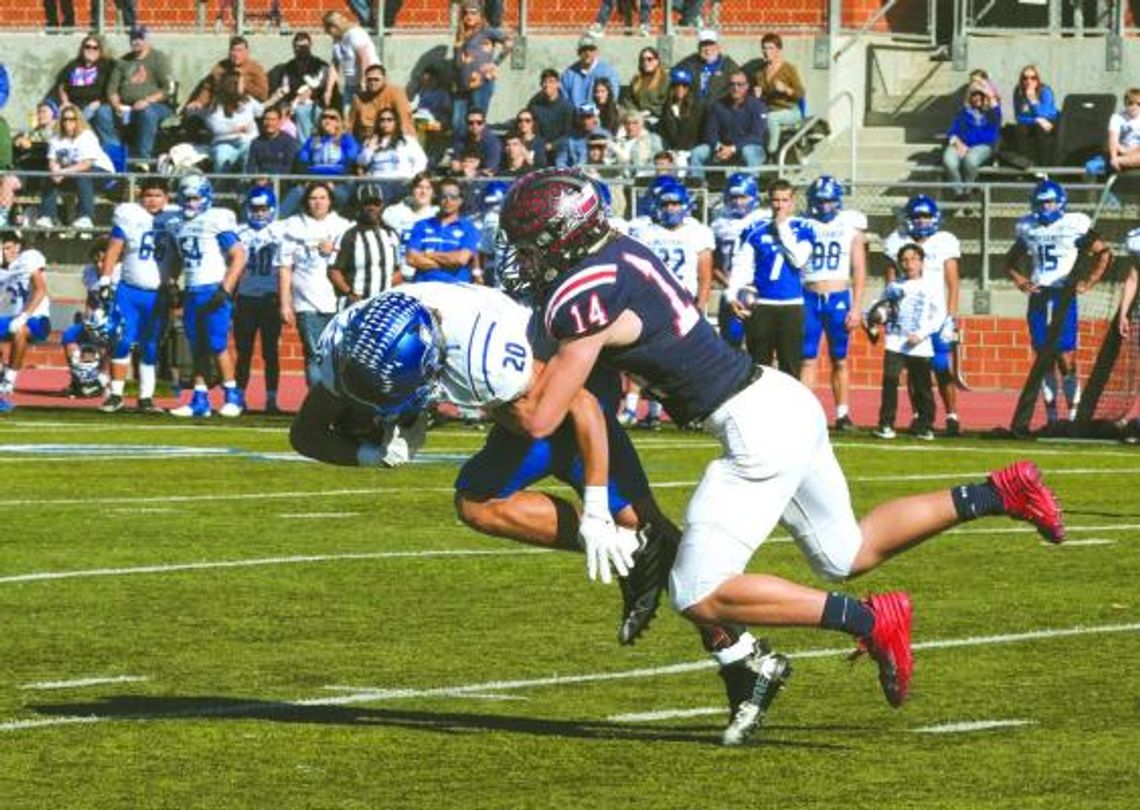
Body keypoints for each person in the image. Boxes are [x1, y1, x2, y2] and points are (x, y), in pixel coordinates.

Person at [498, 167, 1068, 746]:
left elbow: (542, 417)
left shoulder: (582, 294)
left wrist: (470, 393)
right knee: (846, 551)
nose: (524, 257)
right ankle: (1000, 493)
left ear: (561, 236)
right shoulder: (618, 250)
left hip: (754, 426)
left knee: (697, 591)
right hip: (778, 400)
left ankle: (870, 620)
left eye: (528, 243)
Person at [289, 284, 675, 645]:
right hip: (517, 409)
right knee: (480, 499)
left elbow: (580, 405)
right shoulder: (351, 347)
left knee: (643, 527)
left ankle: (725, 634)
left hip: (564, 388)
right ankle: (649, 561)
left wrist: (593, 513)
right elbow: (305, 434)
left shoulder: (486, 356)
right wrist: (369, 454)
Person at [1003, 180, 1112, 426]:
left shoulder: (1075, 223)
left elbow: (1104, 252)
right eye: (1041, 202)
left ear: (1060, 202)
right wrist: (1020, 279)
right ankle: (1052, 417)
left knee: (1065, 357)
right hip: (1040, 293)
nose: (1046, 206)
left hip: (1063, 294)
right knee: (1043, 357)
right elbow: (1009, 261)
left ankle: (1074, 416)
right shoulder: (1027, 226)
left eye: (1050, 201)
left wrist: (1089, 282)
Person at [626, 176, 714, 428]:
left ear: (685, 205)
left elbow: (705, 275)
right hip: (653, 301)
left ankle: (692, 411)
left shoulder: (697, 231)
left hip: (684, 303)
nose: (671, 209)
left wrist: (701, 305)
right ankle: (651, 412)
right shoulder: (645, 230)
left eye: (676, 204)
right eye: (666, 204)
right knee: (649, 359)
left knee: (687, 361)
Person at [167, 173, 247, 419]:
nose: (191, 203)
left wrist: (225, 289)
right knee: (197, 346)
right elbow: (178, 259)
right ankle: (199, 399)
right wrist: (173, 283)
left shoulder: (216, 219)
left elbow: (239, 255)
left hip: (213, 287)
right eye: (187, 198)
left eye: (195, 198)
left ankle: (233, 395)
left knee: (217, 344)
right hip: (192, 289)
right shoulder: (176, 223)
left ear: (206, 197)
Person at [883, 195, 963, 435]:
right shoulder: (898, 240)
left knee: (940, 365)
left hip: (935, 316)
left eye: (926, 216)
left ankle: (951, 414)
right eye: (917, 216)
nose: (922, 221)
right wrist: (891, 313)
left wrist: (950, 317)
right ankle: (920, 415)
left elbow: (953, 283)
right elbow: (890, 281)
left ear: (935, 217)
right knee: (914, 370)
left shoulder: (944, 241)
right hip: (909, 316)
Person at [98, 176, 177, 414]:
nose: (152, 200)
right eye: (148, 195)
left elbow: (181, 257)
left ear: (167, 197)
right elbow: (114, 248)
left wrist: (174, 281)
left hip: (158, 293)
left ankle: (146, 397)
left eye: (157, 195)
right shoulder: (130, 215)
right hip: (129, 291)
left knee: (150, 345)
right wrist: (105, 279)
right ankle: (116, 395)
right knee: (121, 341)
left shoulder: (175, 219)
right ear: (140, 197)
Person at [726, 178, 813, 377]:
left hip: (791, 306)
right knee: (758, 366)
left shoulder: (804, 228)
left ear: (792, 202)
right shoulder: (755, 230)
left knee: (790, 368)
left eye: (785, 200)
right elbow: (742, 267)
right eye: (776, 200)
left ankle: (789, 409)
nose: (780, 205)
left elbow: (798, 259)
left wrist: (782, 228)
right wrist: (732, 295)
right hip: (761, 305)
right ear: (769, 201)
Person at [800, 176, 866, 431]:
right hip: (809, 295)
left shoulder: (850, 225)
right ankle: (805, 413)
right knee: (807, 358)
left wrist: (857, 306)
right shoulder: (803, 224)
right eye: (820, 201)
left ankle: (842, 413)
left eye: (829, 201)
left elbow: (859, 269)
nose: (825, 206)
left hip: (838, 296)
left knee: (840, 358)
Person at [278, 180, 352, 388]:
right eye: (313, 198)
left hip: (338, 301)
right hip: (306, 302)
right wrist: (285, 303)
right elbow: (285, 267)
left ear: (330, 201)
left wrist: (335, 250)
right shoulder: (293, 226)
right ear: (306, 202)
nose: (318, 203)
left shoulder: (343, 226)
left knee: (338, 356)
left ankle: (338, 404)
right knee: (315, 354)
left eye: (322, 198)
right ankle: (318, 404)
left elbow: (354, 261)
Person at [872, 243, 939, 441]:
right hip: (895, 341)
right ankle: (886, 424)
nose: (909, 264)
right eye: (905, 260)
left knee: (922, 386)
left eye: (913, 259)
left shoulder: (931, 285)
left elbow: (939, 314)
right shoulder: (894, 286)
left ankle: (925, 425)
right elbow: (881, 307)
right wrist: (875, 321)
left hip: (919, 344)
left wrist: (921, 333)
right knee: (890, 382)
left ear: (921, 262)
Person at [234, 184, 285, 414]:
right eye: (255, 209)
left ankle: (271, 399)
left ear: (272, 209)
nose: (259, 213)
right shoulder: (239, 232)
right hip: (245, 298)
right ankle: (238, 397)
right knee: (243, 352)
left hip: (270, 299)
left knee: (270, 352)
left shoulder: (281, 232)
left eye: (264, 209)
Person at [95, 26, 174, 162]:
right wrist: (116, 104)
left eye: (140, 38)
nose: (136, 41)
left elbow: (169, 88)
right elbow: (112, 89)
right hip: (126, 107)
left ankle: (143, 160)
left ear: (147, 40)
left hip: (155, 106)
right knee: (102, 112)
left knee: (147, 112)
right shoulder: (123, 61)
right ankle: (115, 153)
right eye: (133, 38)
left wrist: (147, 101)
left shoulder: (158, 58)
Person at [709, 172, 767, 351]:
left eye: (743, 196)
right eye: (733, 197)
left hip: (760, 290)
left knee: (761, 348)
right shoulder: (719, 223)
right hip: (730, 291)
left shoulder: (764, 220)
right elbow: (713, 263)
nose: (738, 202)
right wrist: (731, 285)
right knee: (730, 346)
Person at [37, 103, 115, 230]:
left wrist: (63, 172)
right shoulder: (55, 138)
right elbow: (53, 160)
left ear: (78, 120)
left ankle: (85, 217)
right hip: (72, 173)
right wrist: (55, 171)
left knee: (82, 175)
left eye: (72, 119)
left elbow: (86, 163)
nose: (68, 122)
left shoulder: (86, 136)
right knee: (50, 177)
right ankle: (47, 216)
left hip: (101, 171)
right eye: (65, 119)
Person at [0, 230, 51, 413]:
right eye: (2, 248)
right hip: (11, 317)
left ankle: (9, 380)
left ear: (18, 246)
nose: (6, 252)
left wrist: (24, 315)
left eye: (9, 247)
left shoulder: (29, 257)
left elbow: (40, 289)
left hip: (37, 318)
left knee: (19, 329)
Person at [329, 182, 402, 306]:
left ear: (382, 206)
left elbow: (397, 271)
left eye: (376, 203)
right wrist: (350, 293)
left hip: (383, 305)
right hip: (354, 304)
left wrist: (387, 293)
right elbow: (334, 271)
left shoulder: (391, 234)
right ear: (358, 206)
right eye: (366, 203)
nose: (371, 207)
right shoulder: (349, 235)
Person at [61, 237, 117, 399]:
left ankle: (104, 380)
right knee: (70, 335)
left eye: (103, 260)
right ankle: (78, 381)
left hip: (117, 319)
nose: (100, 265)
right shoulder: (90, 273)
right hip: (98, 317)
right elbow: (92, 298)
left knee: (112, 336)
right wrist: (87, 318)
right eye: (96, 261)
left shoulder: (122, 272)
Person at [690, 70, 768, 178]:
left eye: (739, 84)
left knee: (748, 151)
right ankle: (698, 187)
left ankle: (751, 187)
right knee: (697, 152)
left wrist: (732, 149)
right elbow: (710, 132)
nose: (735, 88)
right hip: (722, 147)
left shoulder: (757, 106)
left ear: (747, 86)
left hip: (748, 148)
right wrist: (719, 147)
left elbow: (756, 136)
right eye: (732, 84)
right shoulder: (718, 105)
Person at [451, 0, 514, 132]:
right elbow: (457, 63)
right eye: (466, 13)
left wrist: (495, 63)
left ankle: (477, 152)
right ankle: (461, 151)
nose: (469, 16)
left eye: (473, 13)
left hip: (481, 84)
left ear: (480, 15)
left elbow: (509, 42)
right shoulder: (461, 34)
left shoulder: (486, 31)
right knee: (457, 124)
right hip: (461, 85)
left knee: (477, 122)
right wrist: (458, 46)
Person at [405, 177, 480, 284]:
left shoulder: (468, 228)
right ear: (437, 198)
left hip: (455, 288)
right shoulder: (421, 225)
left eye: (453, 197)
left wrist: (427, 254)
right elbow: (411, 259)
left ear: (460, 200)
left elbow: (460, 259)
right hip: (423, 288)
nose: (448, 201)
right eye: (444, 196)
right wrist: (448, 262)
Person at [269, 31, 337, 143]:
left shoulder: (320, 66)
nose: (299, 49)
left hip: (317, 105)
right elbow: (284, 90)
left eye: (303, 46)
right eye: (296, 46)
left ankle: (307, 147)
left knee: (302, 112)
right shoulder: (288, 68)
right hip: (294, 107)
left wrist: (298, 102)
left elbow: (318, 90)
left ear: (310, 46)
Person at [198, 70, 269, 174]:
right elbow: (217, 128)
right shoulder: (216, 106)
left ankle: (246, 185)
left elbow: (260, 111)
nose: (244, 85)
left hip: (248, 142)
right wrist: (236, 129)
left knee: (250, 159)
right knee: (221, 158)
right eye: (241, 82)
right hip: (225, 143)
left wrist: (276, 97)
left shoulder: (248, 101)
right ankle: (221, 186)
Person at [184, 36, 270, 114]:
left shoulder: (256, 68)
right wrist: (200, 102)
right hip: (221, 107)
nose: (236, 54)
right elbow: (208, 88)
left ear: (246, 52)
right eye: (233, 50)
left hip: (244, 109)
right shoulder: (221, 66)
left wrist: (242, 84)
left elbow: (263, 95)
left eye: (239, 50)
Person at [752, 33, 805, 158]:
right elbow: (765, 99)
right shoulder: (760, 72)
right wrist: (758, 95)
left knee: (771, 118)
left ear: (778, 50)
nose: (766, 51)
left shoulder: (788, 69)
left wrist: (786, 89)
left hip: (791, 111)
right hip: (771, 110)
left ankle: (772, 152)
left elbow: (801, 93)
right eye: (764, 48)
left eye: (770, 48)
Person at [942, 86, 1001, 200]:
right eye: (974, 95)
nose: (977, 98)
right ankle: (960, 193)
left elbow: (995, 107)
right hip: (961, 144)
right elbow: (952, 132)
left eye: (981, 95)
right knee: (948, 161)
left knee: (970, 160)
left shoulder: (992, 114)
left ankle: (968, 190)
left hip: (983, 146)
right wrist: (958, 144)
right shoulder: (963, 113)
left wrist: (987, 93)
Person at [382, 170, 437, 278]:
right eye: (419, 187)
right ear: (412, 190)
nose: (423, 192)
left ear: (434, 192)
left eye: (428, 188)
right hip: (399, 275)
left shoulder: (438, 215)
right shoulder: (394, 212)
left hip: (428, 275)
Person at [51, 35, 115, 126]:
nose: (91, 50)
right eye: (87, 46)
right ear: (82, 49)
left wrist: (100, 102)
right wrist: (65, 102)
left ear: (100, 51)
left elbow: (113, 87)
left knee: (85, 116)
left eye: (95, 48)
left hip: (95, 105)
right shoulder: (73, 65)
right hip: (74, 105)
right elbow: (62, 84)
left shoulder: (107, 66)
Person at [355, 106, 428, 186]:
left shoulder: (407, 141)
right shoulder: (371, 141)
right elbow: (361, 162)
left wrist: (411, 179)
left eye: (389, 119)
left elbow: (421, 161)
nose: (385, 123)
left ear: (396, 122)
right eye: (382, 120)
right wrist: (369, 149)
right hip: (377, 184)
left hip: (400, 183)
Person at [323, 10, 378, 113]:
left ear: (334, 27)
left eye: (328, 30)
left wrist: (363, 82)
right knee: (348, 116)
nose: (328, 34)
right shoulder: (337, 41)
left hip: (367, 81)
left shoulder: (355, 34)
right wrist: (328, 90)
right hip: (350, 84)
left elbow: (364, 58)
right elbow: (335, 65)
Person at [347, 63, 415, 141]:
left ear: (385, 79)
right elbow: (349, 124)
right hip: (365, 141)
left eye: (376, 79)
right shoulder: (359, 98)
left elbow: (405, 120)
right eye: (369, 79)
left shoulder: (396, 93)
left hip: (392, 140)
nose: (372, 83)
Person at [1010, 65, 1059, 168]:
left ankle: (1043, 167)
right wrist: (1036, 120)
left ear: (1038, 80)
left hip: (1050, 120)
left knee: (1040, 129)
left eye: (1033, 78)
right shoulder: (1018, 92)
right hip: (1033, 121)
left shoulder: (1045, 91)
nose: (1029, 81)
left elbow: (1044, 114)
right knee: (1020, 129)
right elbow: (1018, 117)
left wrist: (1033, 100)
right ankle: (1025, 164)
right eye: (1025, 78)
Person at [674, 29, 740, 102]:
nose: (708, 49)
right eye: (704, 45)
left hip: (720, 108)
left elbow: (740, 85)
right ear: (698, 47)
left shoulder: (728, 65)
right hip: (694, 109)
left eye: (711, 44)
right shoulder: (690, 62)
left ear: (718, 46)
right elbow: (675, 75)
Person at [561, 34, 623, 111]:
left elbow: (611, 99)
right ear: (578, 52)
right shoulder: (569, 74)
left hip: (601, 117)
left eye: (591, 49)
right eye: (584, 50)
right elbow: (564, 100)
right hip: (575, 118)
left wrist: (589, 112)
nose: (588, 53)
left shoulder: (609, 73)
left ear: (596, 51)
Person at [527, 69, 574, 161]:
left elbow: (569, 133)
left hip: (560, 152)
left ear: (558, 84)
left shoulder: (566, 107)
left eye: (551, 82)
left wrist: (553, 145)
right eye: (544, 82)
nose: (547, 85)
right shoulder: (535, 105)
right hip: (539, 150)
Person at [658, 66, 705, 156]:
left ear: (689, 88)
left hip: (690, 149)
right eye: (677, 85)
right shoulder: (667, 107)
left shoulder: (696, 107)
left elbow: (694, 133)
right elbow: (665, 132)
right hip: (671, 150)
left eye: (684, 86)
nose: (680, 88)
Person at [246, 106, 301, 178]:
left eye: (273, 120)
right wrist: (256, 178)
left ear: (279, 121)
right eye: (266, 119)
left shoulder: (289, 142)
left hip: (282, 183)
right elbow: (251, 166)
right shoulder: (256, 142)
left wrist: (270, 179)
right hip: (260, 183)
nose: (269, 123)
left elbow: (289, 167)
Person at [445, 107, 501, 175]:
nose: (475, 126)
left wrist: (473, 171)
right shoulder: (461, 141)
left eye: (479, 122)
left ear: (484, 123)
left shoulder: (492, 143)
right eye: (470, 123)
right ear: (466, 124)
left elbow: (490, 170)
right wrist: (465, 168)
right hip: (463, 175)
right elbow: (455, 165)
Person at [622, 46, 669, 123]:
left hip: (656, 118)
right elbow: (629, 100)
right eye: (642, 60)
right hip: (636, 116)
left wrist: (650, 111)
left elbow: (666, 103)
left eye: (649, 59)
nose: (646, 62)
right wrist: (635, 112)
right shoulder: (636, 79)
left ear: (657, 61)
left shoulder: (665, 80)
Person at [1107, 87, 1140, 173]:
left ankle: (1121, 160)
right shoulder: (1117, 117)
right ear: (1125, 103)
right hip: (1122, 150)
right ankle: (1119, 160)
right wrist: (1113, 156)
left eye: (1139, 104)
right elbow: (1113, 140)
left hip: (1136, 150)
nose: (1134, 106)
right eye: (1130, 103)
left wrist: (1132, 150)